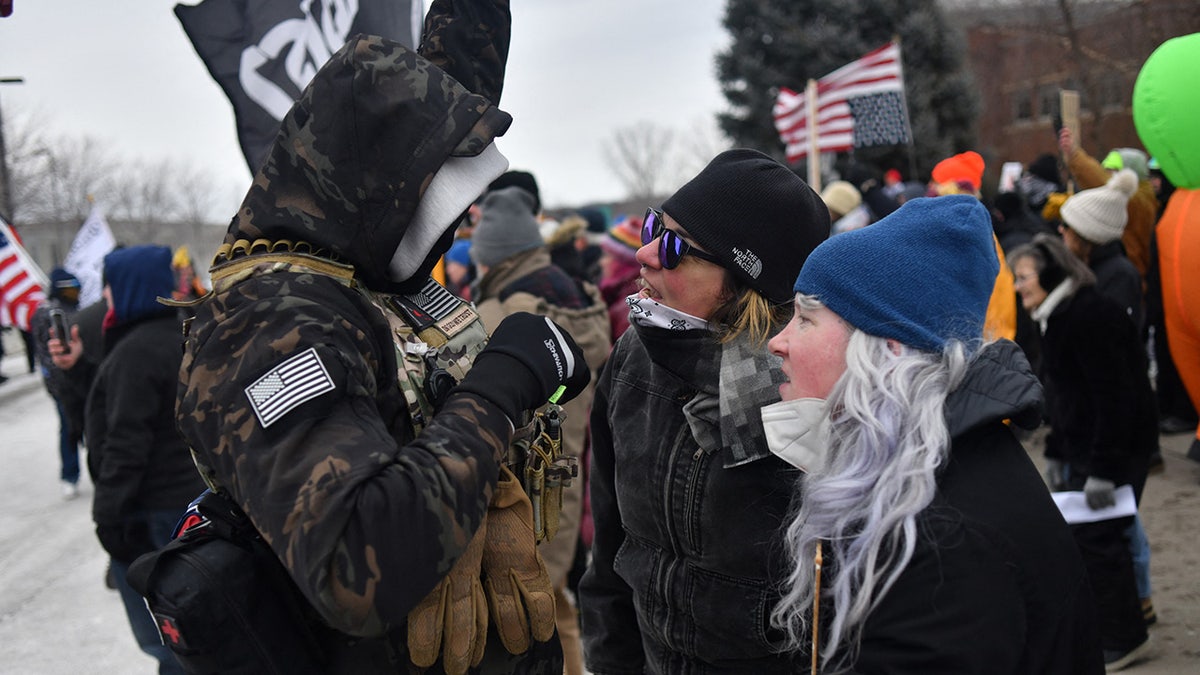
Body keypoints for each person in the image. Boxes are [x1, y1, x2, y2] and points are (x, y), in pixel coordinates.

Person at [170, 4, 591, 673]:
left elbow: (436, 106)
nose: (452, 234)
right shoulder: (266, 322)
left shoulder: (359, 269)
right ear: (380, 195)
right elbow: (352, 560)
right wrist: (503, 384)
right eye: (439, 209)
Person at [767, 195, 1101, 674]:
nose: (779, 341)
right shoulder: (940, 468)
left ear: (884, 351)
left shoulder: (942, 542)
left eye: (804, 318)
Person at [579, 148, 830, 673]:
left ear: (745, 286)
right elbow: (608, 561)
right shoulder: (632, 358)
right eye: (654, 226)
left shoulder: (808, 392)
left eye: (675, 247)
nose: (646, 253)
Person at [470, 185, 612, 675]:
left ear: (494, 255)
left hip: (519, 494)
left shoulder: (506, 314)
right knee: (553, 605)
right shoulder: (578, 294)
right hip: (572, 483)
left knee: (515, 623)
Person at [1008, 233, 1154, 670]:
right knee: (1099, 540)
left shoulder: (1088, 315)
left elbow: (1115, 397)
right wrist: (1056, 449)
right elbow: (1065, 394)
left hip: (1112, 447)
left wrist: (1104, 470)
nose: (1017, 287)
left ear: (1052, 275)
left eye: (1023, 277)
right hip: (1085, 444)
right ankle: (1122, 624)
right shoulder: (1058, 314)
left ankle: (1126, 637)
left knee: (1102, 540)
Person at [63, 245, 203, 674]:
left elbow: (126, 444)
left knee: (170, 639)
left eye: (109, 285)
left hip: (154, 514)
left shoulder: (135, 352)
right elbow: (140, 406)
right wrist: (80, 370)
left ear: (128, 286)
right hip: (187, 503)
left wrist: (108, 518)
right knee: (196, 626)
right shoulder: (176, 334)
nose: (104, 295)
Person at [1059, 128, 1158, 284]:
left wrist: (1074, 155)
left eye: (1113, 173)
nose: (1109, 178)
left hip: (1135, 279)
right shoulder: (1142, 198)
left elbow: (1100, 181)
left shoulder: (1137, 201)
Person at [30, 268, 87, 499]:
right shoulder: (46, 314)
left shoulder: (77, 310)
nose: (74, 294)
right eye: (70, 290)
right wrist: (61, 383)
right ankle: (69, 476)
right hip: (62, 386)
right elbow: (44, 353)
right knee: (69, 429)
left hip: (82, 380)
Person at [596, 215, 643, 342]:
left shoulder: (628, 309)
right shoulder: (617, 295)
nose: (601, 262)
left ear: (623, 263)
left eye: (607, 256)